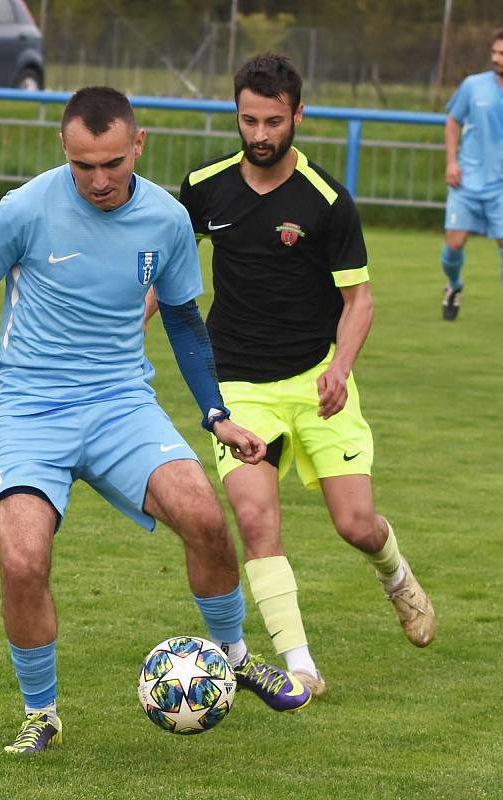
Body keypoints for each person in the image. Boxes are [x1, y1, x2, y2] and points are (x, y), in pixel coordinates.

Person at [0, 86, 311, 755]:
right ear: (64, 149)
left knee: (202, 513)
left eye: (112, 162)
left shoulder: (166, 219)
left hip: (120, 406)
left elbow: (183, 320)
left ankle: (232, 654)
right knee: (22, 560)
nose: (100, 179)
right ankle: (42, 714)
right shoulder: (24, 208)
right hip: (32, 411)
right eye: (84, 165)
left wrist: (215, 413)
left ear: (138, 145)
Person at [148, 53, 436, 697]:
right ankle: (299, 665)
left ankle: (396, 577)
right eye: (249, 120)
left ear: (298, 115)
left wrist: (340, 367)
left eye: (273, 121)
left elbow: (359, 300)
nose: (259, 134)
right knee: (255, 521)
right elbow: (166, 269)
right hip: (239, 386)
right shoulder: (206, 185)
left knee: (356, 524)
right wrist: (129, 331)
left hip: (315, 380)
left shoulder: (327, 199)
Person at [440, 29, 503, 321]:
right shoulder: (473, 86)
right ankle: (453, 286)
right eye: (495, 52)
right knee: (454, 244)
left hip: (500, 186)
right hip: (467, 180)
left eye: (501, 54)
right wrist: (452, 162)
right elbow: (453, 122)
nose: (496, 58)